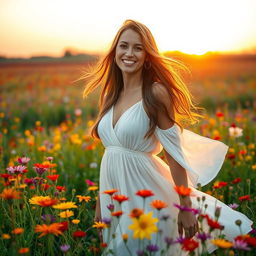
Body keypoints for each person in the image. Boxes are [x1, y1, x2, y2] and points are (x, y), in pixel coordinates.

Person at [80, 19, 253, 255]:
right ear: (115, 51)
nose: (129, 53)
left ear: (147, 55)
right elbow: (110, 152)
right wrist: (102, 200)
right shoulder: (111, 93)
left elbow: (174, 152)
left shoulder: (155, 93)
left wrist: (185, 206)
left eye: (138, 48)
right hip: (116, 197)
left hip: (148, 193)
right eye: (124, 46)